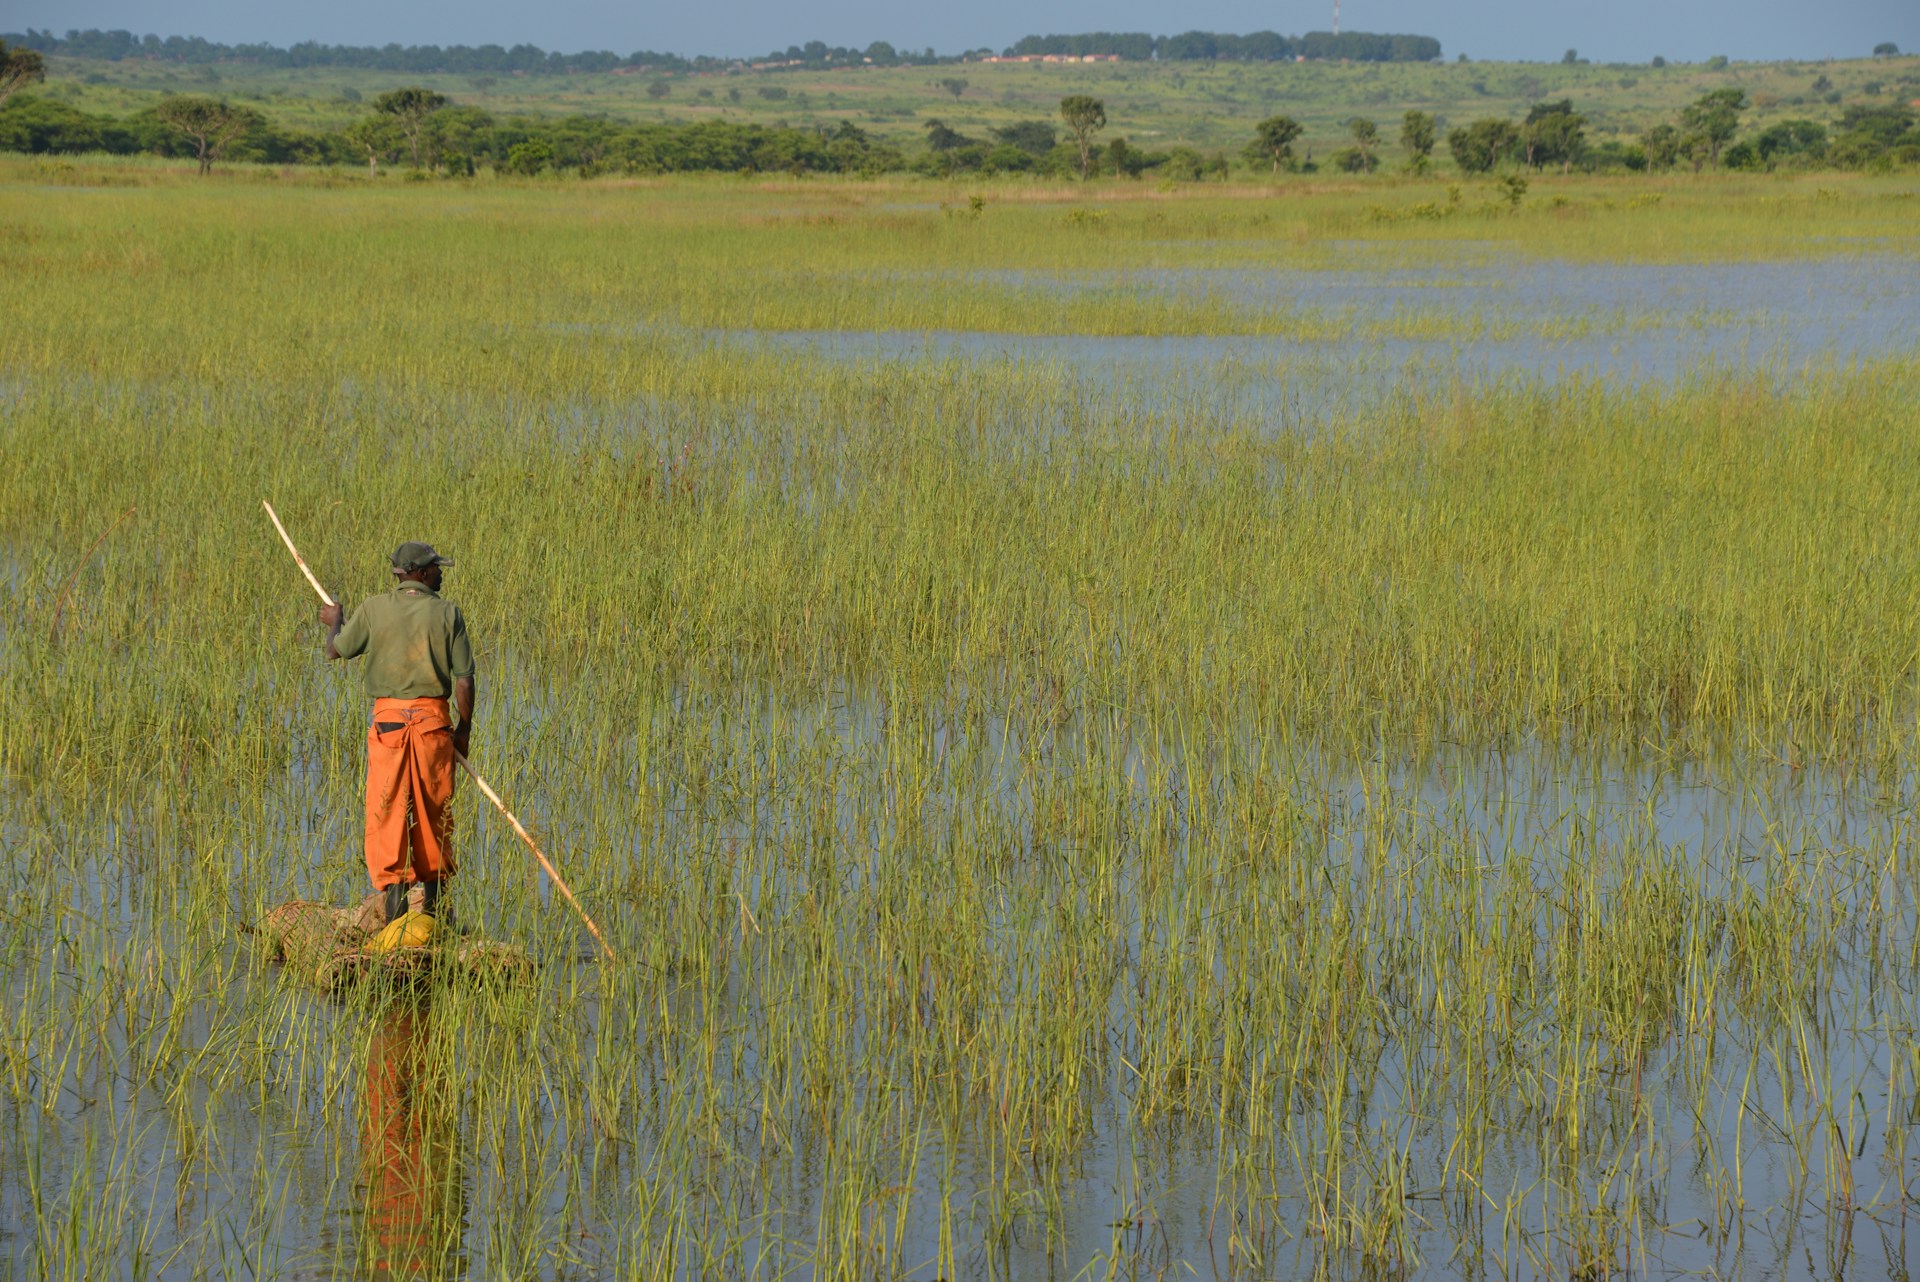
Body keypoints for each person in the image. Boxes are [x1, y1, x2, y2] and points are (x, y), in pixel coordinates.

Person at [319, 542, 476, 925]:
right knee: (433, 813)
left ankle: (394, 912)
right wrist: (464, 729)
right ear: (419, 573)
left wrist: (335, 620)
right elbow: (464, 680)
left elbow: (335, 650)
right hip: (432, 729)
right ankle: (435, 914)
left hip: (388, 729)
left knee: (386, 811)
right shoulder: (447, 613)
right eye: (436, 569)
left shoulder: (373, 608)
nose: (441, 574)